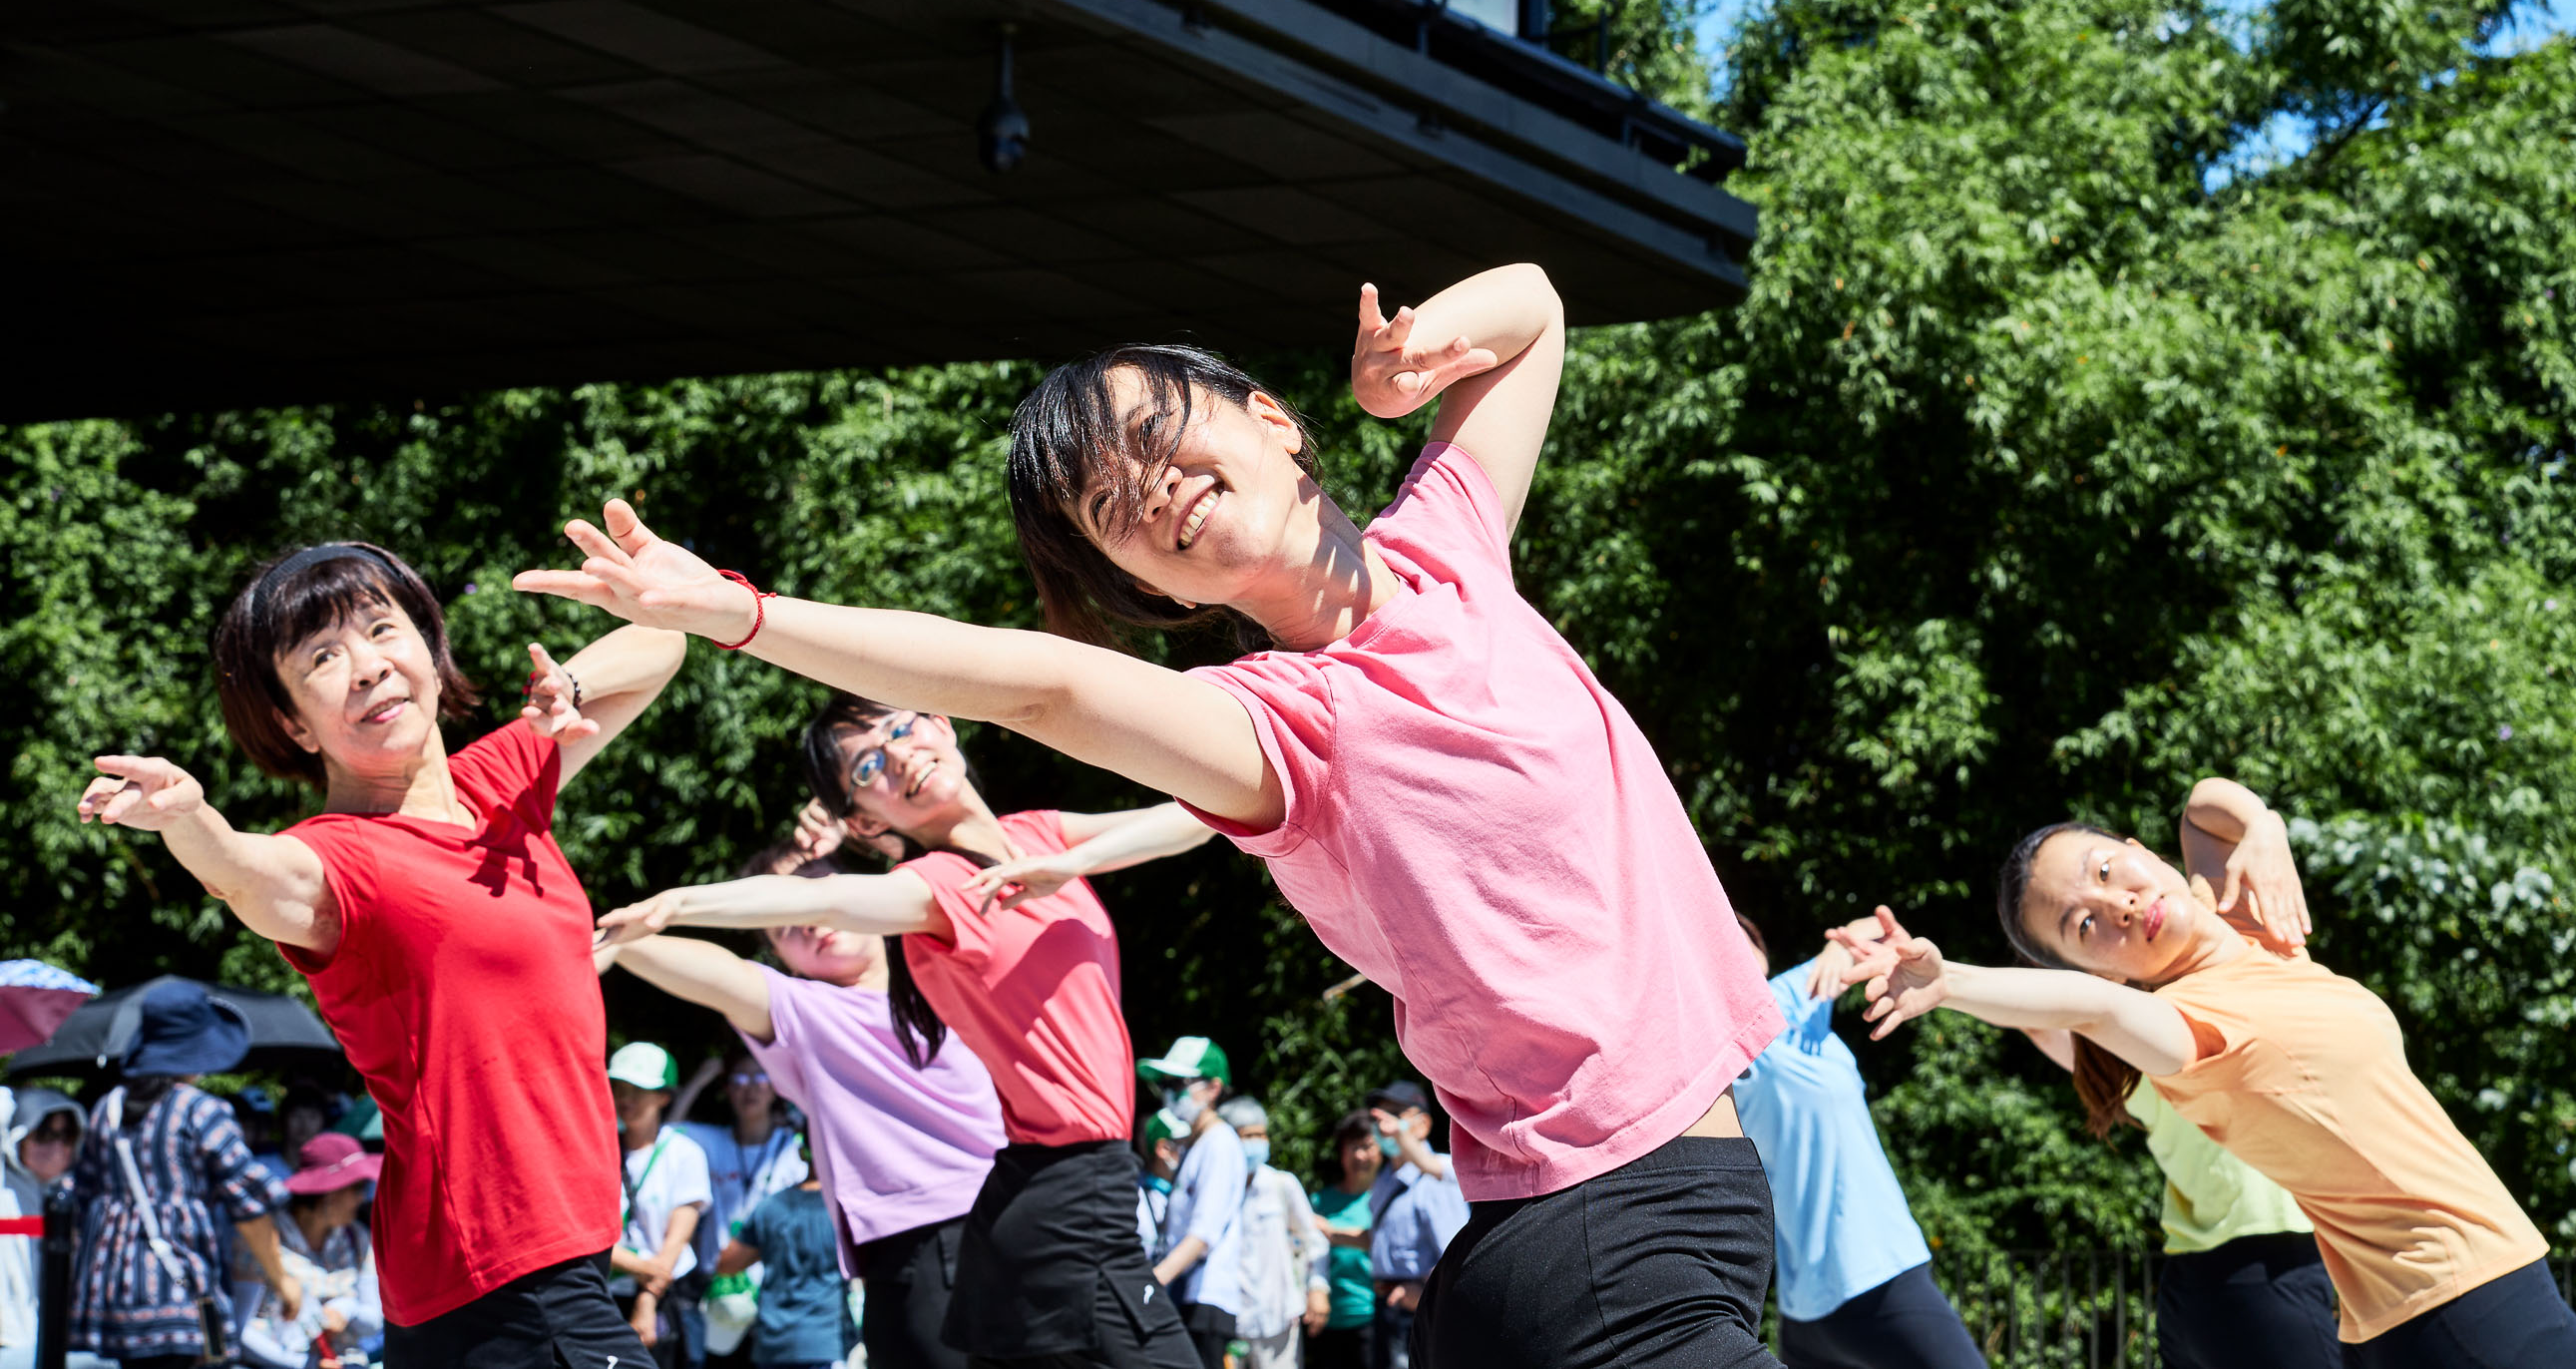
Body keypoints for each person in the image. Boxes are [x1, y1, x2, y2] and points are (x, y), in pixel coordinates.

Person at [516, 265, 1787, 1368]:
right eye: (1109, 508)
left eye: (1150, 434)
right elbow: (1042, 686)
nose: (1147, 488)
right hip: (1599, 1236)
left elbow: (1537, 305)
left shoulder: (1452, 550)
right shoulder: (1280, 725)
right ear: (1146, 586)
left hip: (1687, 1203)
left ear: (1271, 418)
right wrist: (738, 614)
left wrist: (1407, 363)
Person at [75, 534, 686, 1369]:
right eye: (322, 658)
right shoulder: (342, 858)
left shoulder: (498, 783)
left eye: (380, 628)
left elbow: (665, 639)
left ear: (431, 648)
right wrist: (189, 821)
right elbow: (248, 875)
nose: (365, 666)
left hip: (542, 1261)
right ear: (294, 723)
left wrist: (567, 685)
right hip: (500, 1272)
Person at [1838, 776, 2576, 1369]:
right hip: (2453, 1297)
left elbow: (2202, 806)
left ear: (2138, 849)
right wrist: (1950, 982)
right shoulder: (2184, 1027)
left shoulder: (2249, 922)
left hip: (2464, 1292)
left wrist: (2263, 826)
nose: (2115, 902)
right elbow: (2091, 1011)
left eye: (2105, 868)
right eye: (2084, 924)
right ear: (2095, 968)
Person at [587, 689, 1216, 1368]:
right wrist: (666, 909)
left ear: (941, 723)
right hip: (1022, 1208)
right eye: (867, 767)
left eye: (899, 730)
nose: (897, 757)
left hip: (1038, 1192)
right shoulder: (914, 912)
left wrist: (1070, 863)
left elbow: (1201, 816)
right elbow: (818, 899)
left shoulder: (1033, 841)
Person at [602, 837, 1006, 1369]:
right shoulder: (809, 1013)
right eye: (784, 926)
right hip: (926, 1246)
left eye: (815, 894)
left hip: (1030, 1216)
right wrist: (618, 938)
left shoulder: (943, 961)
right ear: (782, 958)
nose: (810, 922)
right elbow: (724, 978)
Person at [1728, 916, 1981, 1369]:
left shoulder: (1790, 999)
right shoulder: (1713, 1052)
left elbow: (1888, 933)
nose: (1726, 938)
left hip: (1849, 1288)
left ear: (1761, 952)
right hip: (1846, 1291)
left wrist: (1840, 947)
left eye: (1737, 931)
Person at [2023, 1029, 2341, 1369]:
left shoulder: (2156, 1079)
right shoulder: (2255, 1051)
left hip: (2188, 1294)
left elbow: (2050, 1035)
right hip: (2269, 1274)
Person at [66, 980, 300, 1367]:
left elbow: (82, 1201)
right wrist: (282, 1279)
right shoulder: (200, 1111)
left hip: (110, 1296)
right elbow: (249, 1207)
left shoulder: (107, 1109)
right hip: (182, 1292)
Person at [668, 1046, 810, 1366]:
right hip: (716, 1296)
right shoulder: (712, 1141)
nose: (750, 1088)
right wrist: (701, 1079)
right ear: (728, 1089)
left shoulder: (793, 1148)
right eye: (740, 1079)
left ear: (775, 1087)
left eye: (760, 1078)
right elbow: (666, 1133)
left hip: (776, 1293)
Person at [230, 1134, 386, 1368]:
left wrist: (346, 1309)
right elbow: (240, 1329)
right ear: (329, 1193)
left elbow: (373, 1319)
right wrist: (307, 1364)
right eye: (356, 1187)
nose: (361, 1198)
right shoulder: (264, 1238)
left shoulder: (358, 1238)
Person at [613, 1045, 714, 1369]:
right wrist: (637, 1266)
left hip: (664, 1296)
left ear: (664, 1097)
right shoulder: (599, 1149)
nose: (626, 1099)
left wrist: (646, 1299)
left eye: (638, 1090)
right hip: (604, 1295)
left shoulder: (684, 1153)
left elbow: (675, 1243)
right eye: (620, 1088)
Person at [1146, 1047, 1245, 1369]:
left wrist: (1150, 1283)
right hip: (1186, 1294)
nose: (1170, 1094)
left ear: (1214, 1088)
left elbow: (1203, 1234)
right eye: (1165, 1085)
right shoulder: (1196, 1144)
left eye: (1178, 1084)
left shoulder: (1220, 1143)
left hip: (1206, 1300)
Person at [1213, 1101, 1324, 1369]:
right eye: (1248, 1135)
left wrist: (1318, 1288)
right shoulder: (1215, 1189)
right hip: (1230, 1321)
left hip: (1278, 1319)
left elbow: (1313, 1240)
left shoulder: (1281, 1185)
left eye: (1261, 1135)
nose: (1257, 1142)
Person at [1359, 1088, 1464, 1369]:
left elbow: (1454, 1257)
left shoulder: (1437, 1178)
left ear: (1423, 1124)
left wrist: (1422, 1296)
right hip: (1388, 1307)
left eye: (1394, 1115)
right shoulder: (1385, 1178)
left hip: (1418, 1308)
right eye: (1378, 1117)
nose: (1384, 1126)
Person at [714, 1152, 848, 1369]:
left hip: (773, 1343)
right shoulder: (846, 1209)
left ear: (802, 1153)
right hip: (825, 1343)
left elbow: (727, 1263)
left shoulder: (771, 1207)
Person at [3, 1090, 94, 1369]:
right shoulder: (4, 1190)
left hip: (50, 1341)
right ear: (18, 1136)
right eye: (44, 1135)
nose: (56, 1147)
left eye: (66, 1136)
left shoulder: (72, 1195)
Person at [1302, 1116, 1380, 1369]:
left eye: (1366, 1146)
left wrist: (1330, 1230)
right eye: (1352, 1147)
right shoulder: (1320, 1201)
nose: (1359, 1155)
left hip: (1373, 1318)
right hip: (1325, 1319)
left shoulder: (1385, 1199)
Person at [1136, 1111, 1191, 1260]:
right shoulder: (1137, 1200)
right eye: (1183, 1144)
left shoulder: (1185, 1192)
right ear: (1163, 1149)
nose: (1187, 1151)